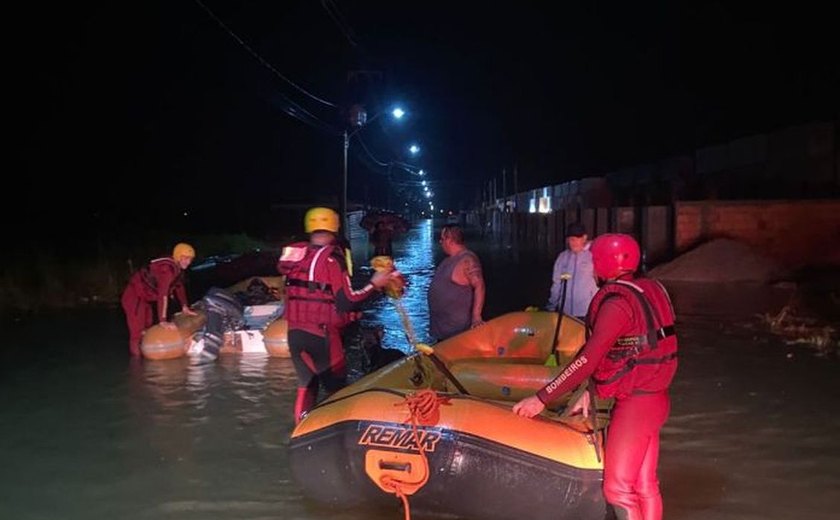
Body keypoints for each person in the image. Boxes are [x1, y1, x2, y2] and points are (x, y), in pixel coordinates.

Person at [513, 233, 678, 520]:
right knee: (645, 485)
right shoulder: (651, 289)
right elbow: (634, 350)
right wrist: (592, 391)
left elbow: (589, 359)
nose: (592, 268)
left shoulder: (617, 303)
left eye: (594, 262)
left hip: (636, 406)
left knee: (617, 489)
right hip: (656, 400)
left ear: (603, 263)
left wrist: (542, 398)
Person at [277, 207, 397, 424]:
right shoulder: (333, 258)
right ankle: (336, 436)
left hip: (295, 334)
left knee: (306, 386)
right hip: (321, 336)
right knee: (336, 390)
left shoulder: (297, 255)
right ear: (335, 228)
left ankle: (300, 432)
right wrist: (374, 283)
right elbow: (347, 300)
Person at [121, 242, 198, 357]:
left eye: (190, 259)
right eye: (185, 258)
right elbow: (163, 295)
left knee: (147, 328)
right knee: (137, 333)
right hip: (134, 297)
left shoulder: (178, 270)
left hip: (145, 299)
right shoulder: (167, 270)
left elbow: (179, 287)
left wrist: (184, 306)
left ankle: (146, 357)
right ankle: (136, 365)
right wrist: (163, 320)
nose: (187, 262)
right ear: (178, 257)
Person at [428, 224, 486, 341]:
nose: (440, 242)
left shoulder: (467, 260)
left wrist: (476, 316)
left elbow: (479, 285)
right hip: (442, 330)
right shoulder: (448, 259)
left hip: (456, 331)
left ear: (449, 240)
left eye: (442, 239)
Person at [546, 222, 598, 320]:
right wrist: (551, 307)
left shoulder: (593, 256)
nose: (573, 242)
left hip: (587, 312)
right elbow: (556, 284)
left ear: (584, 238)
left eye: (577, 238)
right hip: (565, 313)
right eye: (571, 239)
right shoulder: (562, 258)